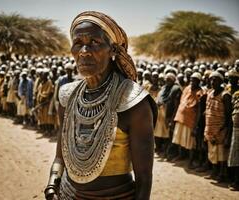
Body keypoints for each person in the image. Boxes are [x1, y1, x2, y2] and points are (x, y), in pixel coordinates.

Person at [44, 11, 157, 200]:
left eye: (95, 42)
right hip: (66, 194)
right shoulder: (67, 95)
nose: (84, 51)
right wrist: (51, 185)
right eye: (78, 43)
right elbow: (60, 156)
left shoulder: (133, 102)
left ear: (113, 50)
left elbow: (144, 177)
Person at [204, 71, 232, 182]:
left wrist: (224, 130)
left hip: (220, 128)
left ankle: (222, 174)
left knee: (221, 154)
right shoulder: (210, 93)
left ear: (221, 81)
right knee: (212, 152)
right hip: (210, 128)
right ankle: (214, 172)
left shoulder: (225, 95)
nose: (212, 82)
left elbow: (228, 115)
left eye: (215, 80)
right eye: (211, 79)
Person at [172, 72, 204, 168]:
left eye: (194, 80)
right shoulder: (186, 88)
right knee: (180, 139)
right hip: (181, 117)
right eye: (191, 80)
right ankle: (181, 155)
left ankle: (191, 160)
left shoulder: (200, 92)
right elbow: (181, 102)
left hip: (191, 121)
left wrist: (196, 125)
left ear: (198, 82)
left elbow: (199, 110)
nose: (192, 82)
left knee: (190, 142)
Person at [227, 68, 239, 190]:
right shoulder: (234, 93)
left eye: (234, 79)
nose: (232, 81)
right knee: (234, 155)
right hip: (234, 127)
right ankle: (233, 179)